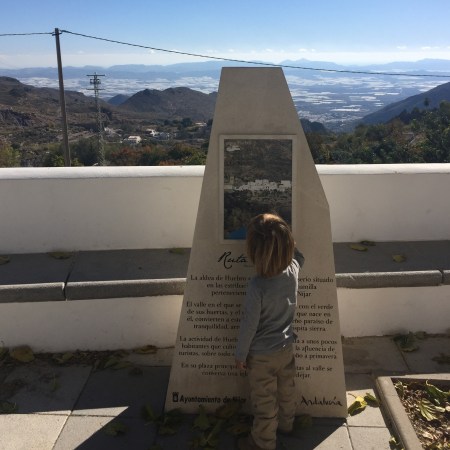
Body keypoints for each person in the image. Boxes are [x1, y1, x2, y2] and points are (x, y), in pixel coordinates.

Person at [235, 212, 304, 450]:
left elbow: (249, 324)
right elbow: (300, 256)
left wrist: (241, 354)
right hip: (286, 349)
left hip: (261, 355)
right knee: (286, 391)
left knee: (264, 402)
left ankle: (262, 443)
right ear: (289, 246)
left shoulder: (257, 286)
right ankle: (287, 425)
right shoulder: (293, 270)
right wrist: (288, 242)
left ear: (253, 252)